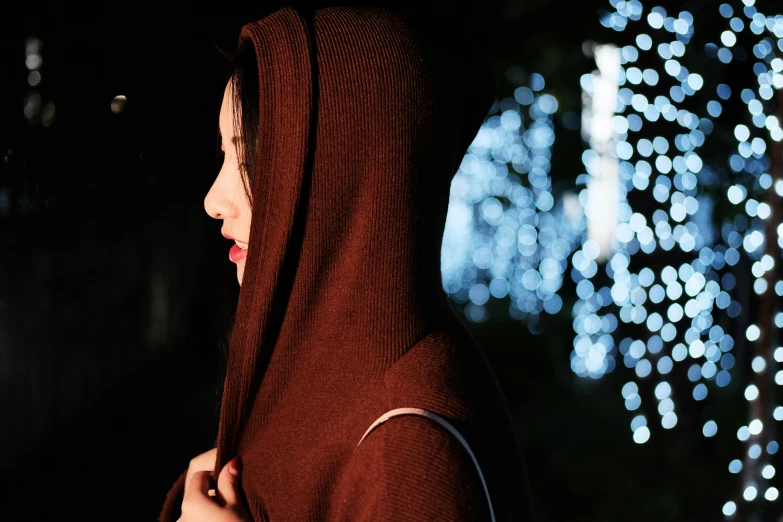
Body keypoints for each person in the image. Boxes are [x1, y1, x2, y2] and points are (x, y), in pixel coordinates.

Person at [159, 5, 535, 521]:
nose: (214, 198)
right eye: (225, 155)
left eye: (250, 161)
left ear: (341, 182)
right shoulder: (330, 378)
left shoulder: (412, 453)